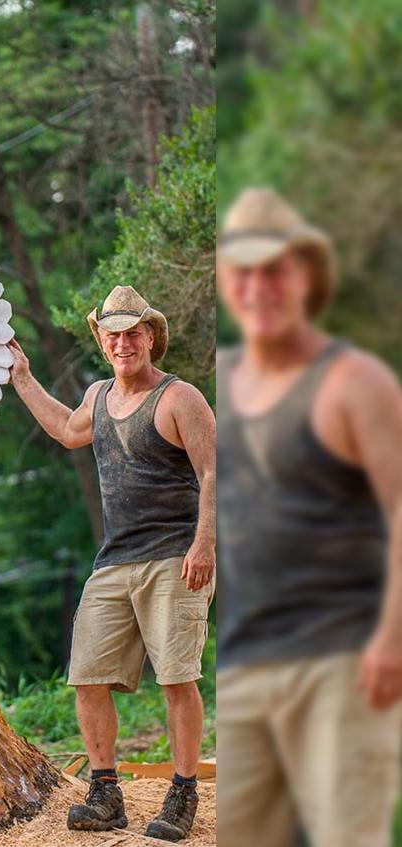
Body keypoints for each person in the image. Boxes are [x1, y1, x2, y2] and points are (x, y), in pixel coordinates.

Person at [216, 187, 402, 847]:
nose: (259, 285)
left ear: (307, 276)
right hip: (244, 662)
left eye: (276, 268)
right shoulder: (221, 376)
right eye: (244, 269)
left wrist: (392, 636)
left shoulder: (354, 381)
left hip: (343, 660)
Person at [8, 285, 216, 842]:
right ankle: (105, 794)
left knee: (177, 679)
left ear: (150, 336)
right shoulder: (98, 397)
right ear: (103, 341)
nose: (123, 342)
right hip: (115, 560)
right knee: (88, 677)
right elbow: (64, 430)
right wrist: (23, 377)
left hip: (175, 556)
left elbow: (214, 473)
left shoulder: (180, 399)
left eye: (133, 332)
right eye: (113, 334)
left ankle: (183, 793)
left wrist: (205, 545)